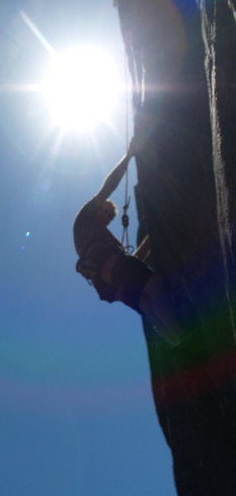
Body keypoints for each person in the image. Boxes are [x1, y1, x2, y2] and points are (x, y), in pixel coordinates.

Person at [73, 140, 183, 346]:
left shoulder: (98, 237)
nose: (108, 217)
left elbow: (131, 263)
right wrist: (129, 156)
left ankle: (177, 342)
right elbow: (108, 186)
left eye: (110, 216)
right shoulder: (84, 220)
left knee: (147, 302)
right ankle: (180, 335)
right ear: (97, 208)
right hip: (112, 272)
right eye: (106, 211)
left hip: (116, 285)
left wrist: (150, 239)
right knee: (155, 284)